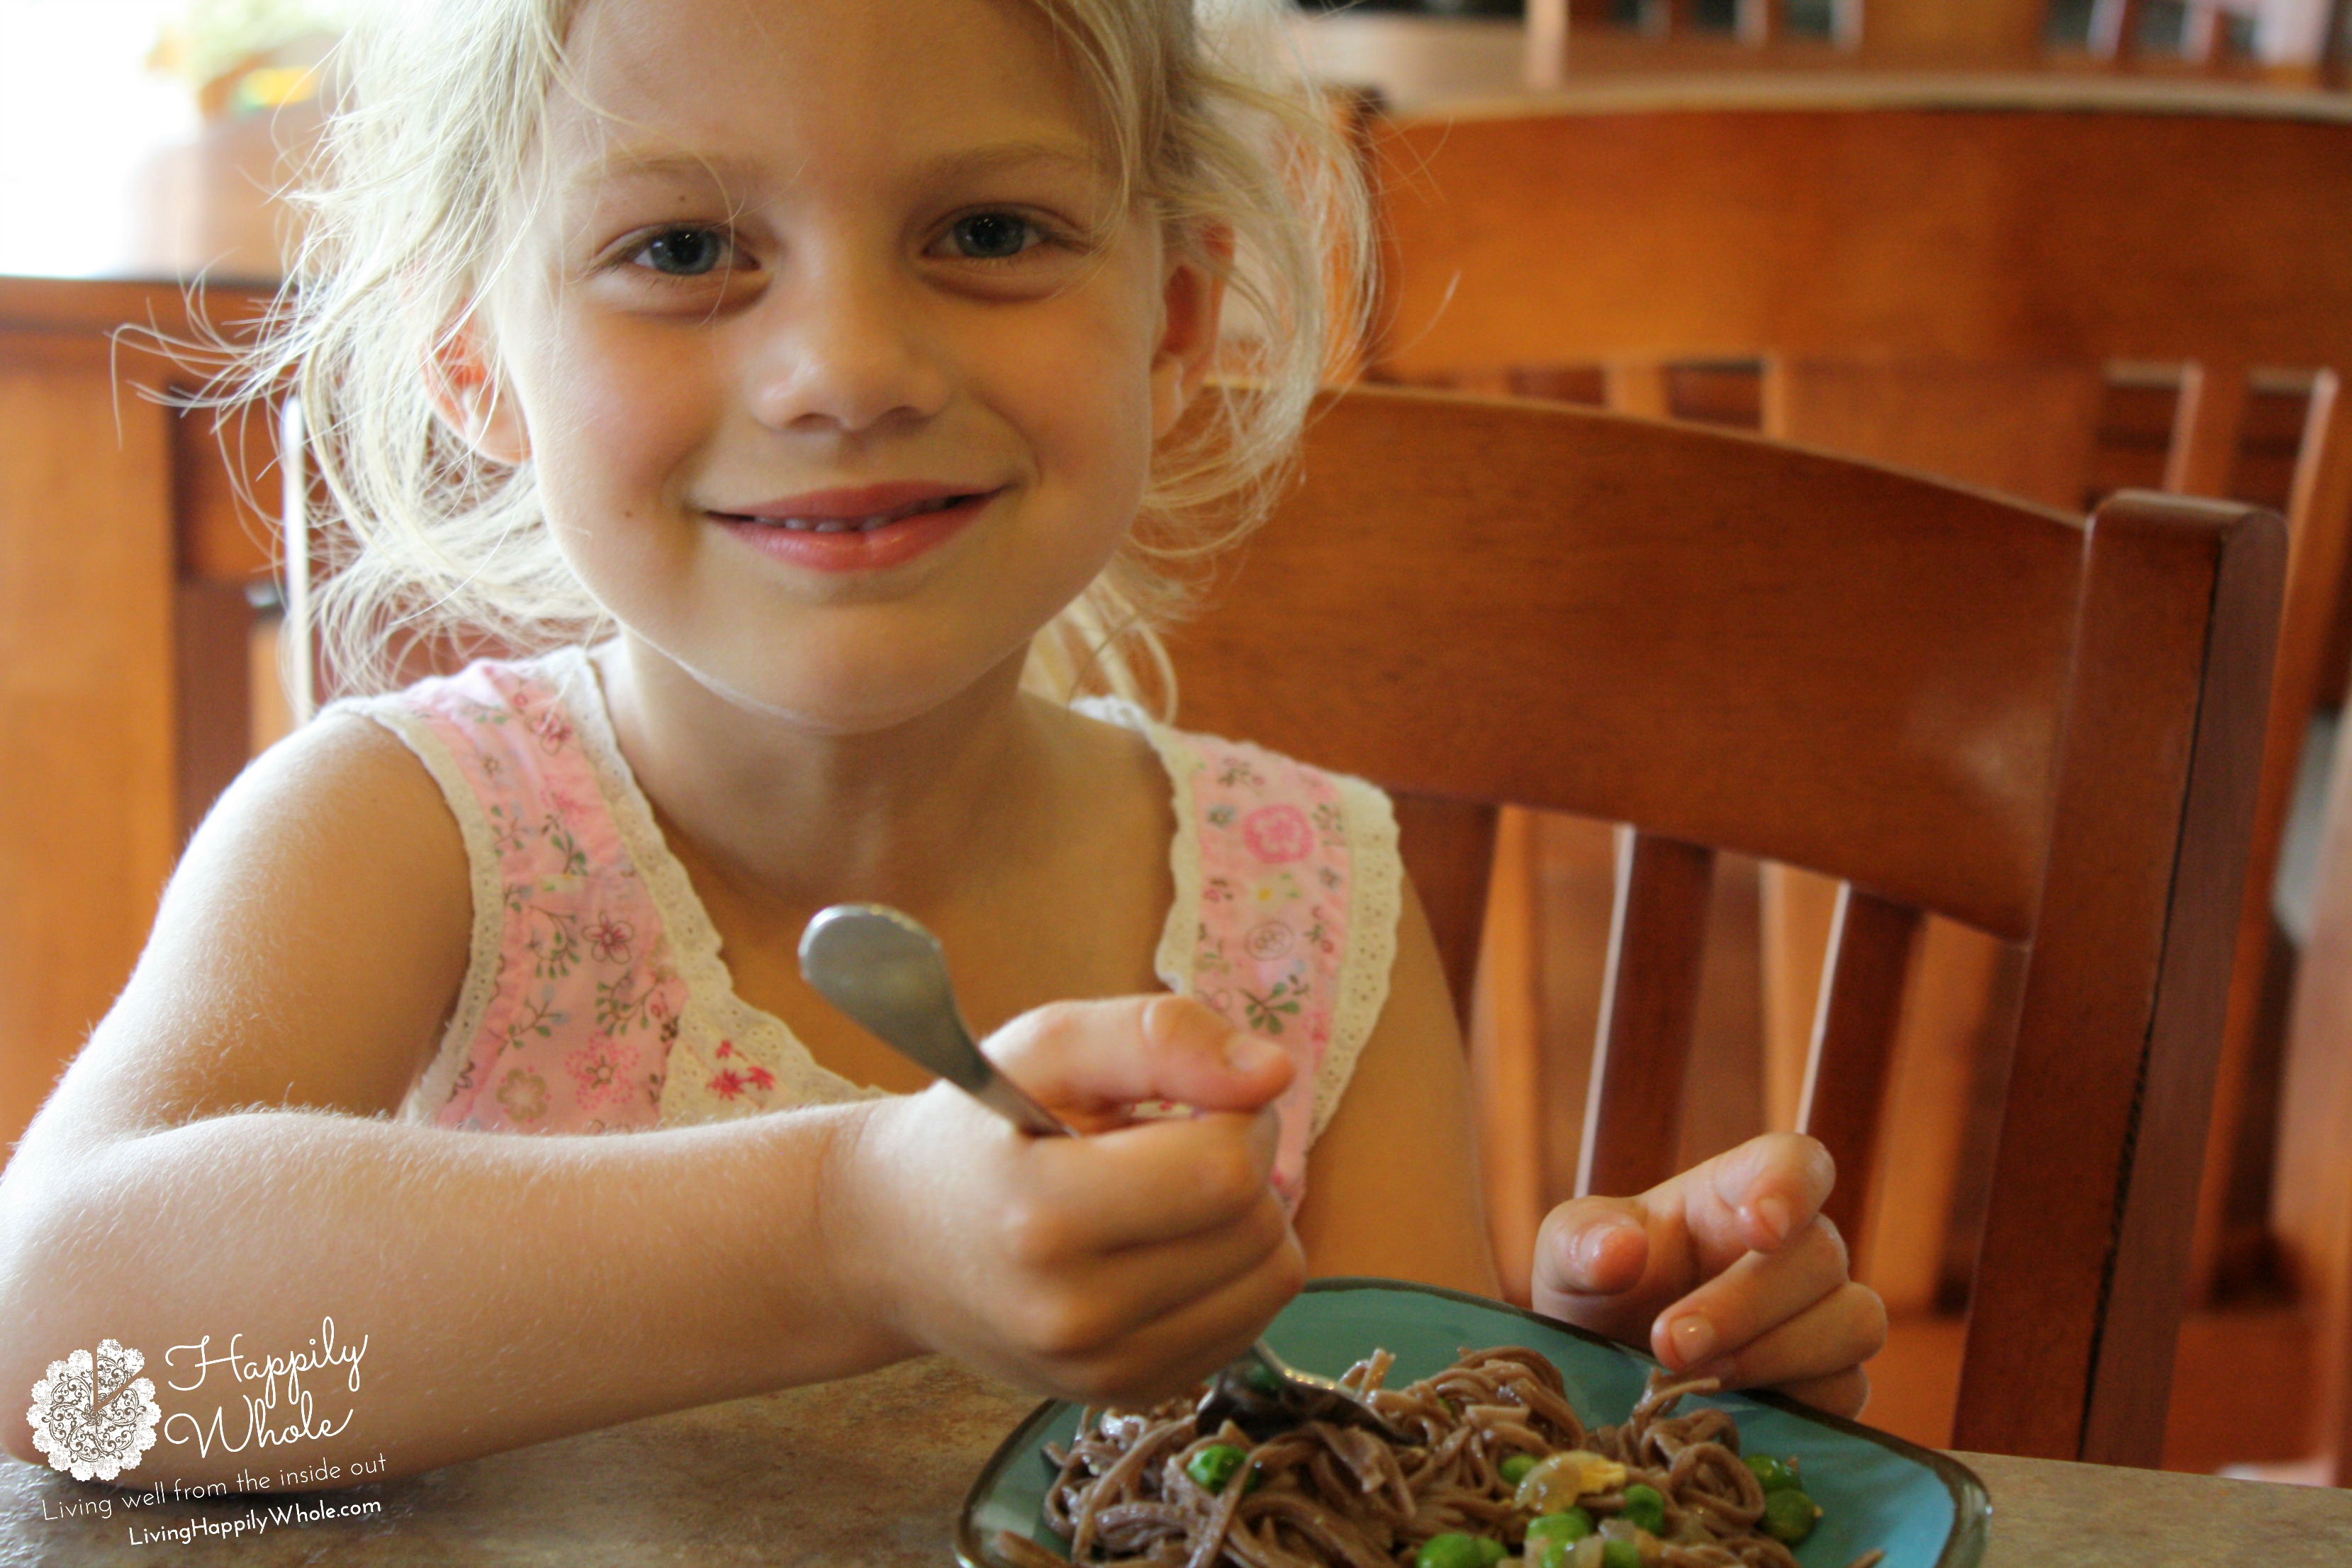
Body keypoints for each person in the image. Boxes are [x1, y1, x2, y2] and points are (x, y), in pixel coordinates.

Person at [0, 0, 1881, 1489]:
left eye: (987, 232)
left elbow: (1385, 1464)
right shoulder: (413, 835)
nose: (849, 366)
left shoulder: (1306, 910)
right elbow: (53, 1349)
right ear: (474, 356)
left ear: (1173, 314)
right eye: (681, 246)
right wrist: (848, 1227)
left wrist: (1601, 1392)